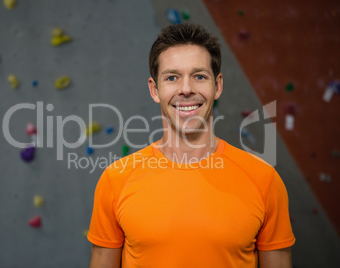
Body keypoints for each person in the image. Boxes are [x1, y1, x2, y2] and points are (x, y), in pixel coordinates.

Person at [87, 23, 295, 268]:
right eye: (172, 77)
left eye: (199, 76)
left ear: (217, 86)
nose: (186, 89)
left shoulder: (265, 181)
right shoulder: (115, 181)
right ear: (155, 90)